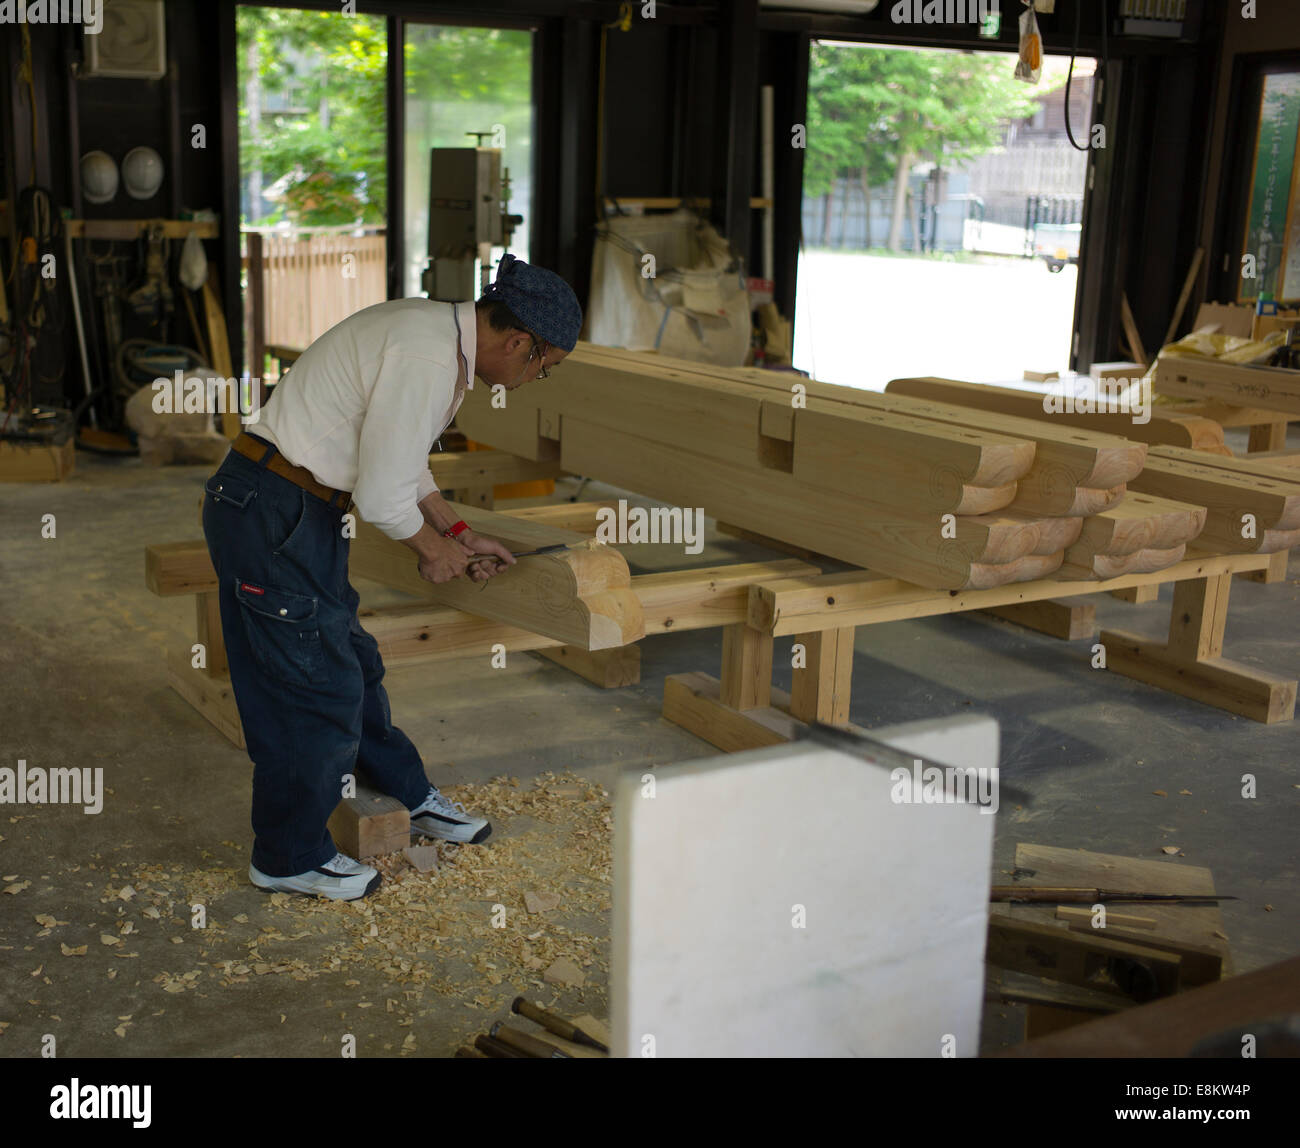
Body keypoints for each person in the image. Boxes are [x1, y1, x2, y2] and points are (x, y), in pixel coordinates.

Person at [201, 255, 582, 901]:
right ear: (519, 341)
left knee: (350, 659)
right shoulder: (429, 359)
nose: (533, 377)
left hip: (290, 506)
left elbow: (404, 468)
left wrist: (456, 533)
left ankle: (404, 792)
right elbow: (382, 497)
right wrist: (430, 552)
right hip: (275, 508)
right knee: (313, 688)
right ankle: (287, 856)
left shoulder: (435, 338)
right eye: (542, 365)